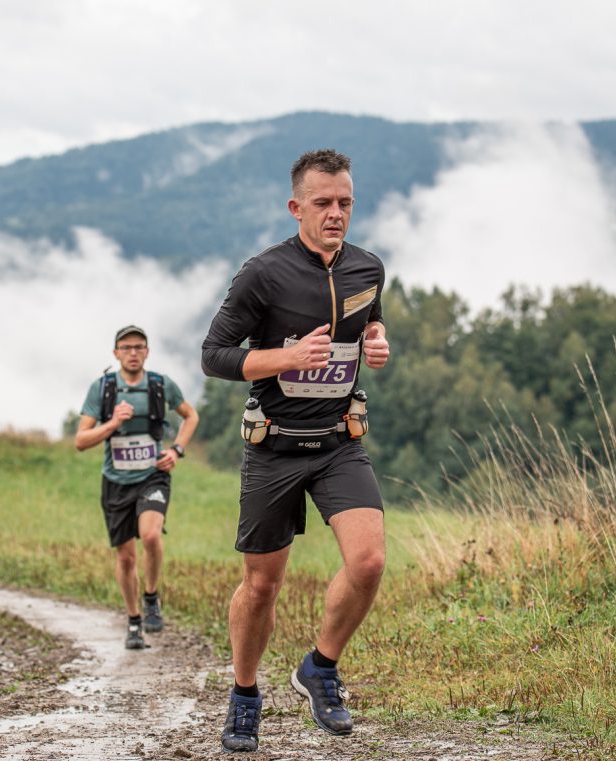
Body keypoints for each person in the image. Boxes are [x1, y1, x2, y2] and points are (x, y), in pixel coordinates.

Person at [200, 149, 391, 752]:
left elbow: (368, 324)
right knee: (262, 586)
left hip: (339, 442)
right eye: (323, 204)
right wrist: (285, 357)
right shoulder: (263, 273)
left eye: (345, 203)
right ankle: (244, 694)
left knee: (368, 563)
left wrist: (378, 341)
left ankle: (320, 668)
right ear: (296, 207)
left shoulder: (367, 269)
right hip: (275, 448)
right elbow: (214, 355)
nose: (336, 214)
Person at [75, 326, 199, 650]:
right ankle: (133, 621)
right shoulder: (102, 389)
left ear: (147, 352)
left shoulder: (160, 385)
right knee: (127, 558)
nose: (133, 352)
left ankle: (152, 595)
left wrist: (176, 450)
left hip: (152, 476)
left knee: (151, 536)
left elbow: (191, 416)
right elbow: (80, 441)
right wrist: (113, 423)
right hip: (115, 482)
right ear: (116, 353)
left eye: (139, 347)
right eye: (126, 347)